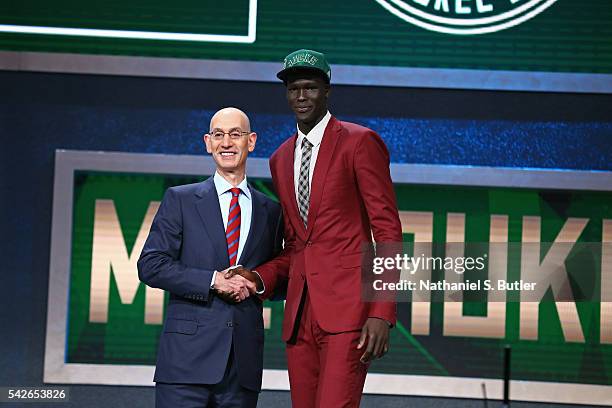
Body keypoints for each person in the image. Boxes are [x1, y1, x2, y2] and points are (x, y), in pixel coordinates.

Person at [226, 49, 402, 407]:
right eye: (294, 89)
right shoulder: (280, 158)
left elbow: (387, 232)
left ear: (327, 91)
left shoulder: (359, 142)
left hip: (349, 311)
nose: (301, 96)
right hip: (300, 315)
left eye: (310, 87)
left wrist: (381, 312)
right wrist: (258, 277)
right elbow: (296, 246)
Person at [137, 107, 283, 408]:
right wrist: (212, 280)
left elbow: (280, 278)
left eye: (235, 134)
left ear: (251, 141)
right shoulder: (181, 199)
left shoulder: (271, 210)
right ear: (207, 142)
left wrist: (255, 282)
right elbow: (150, 265)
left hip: (242, 368)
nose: (226, 142)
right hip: (185, 366)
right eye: (218, 135)